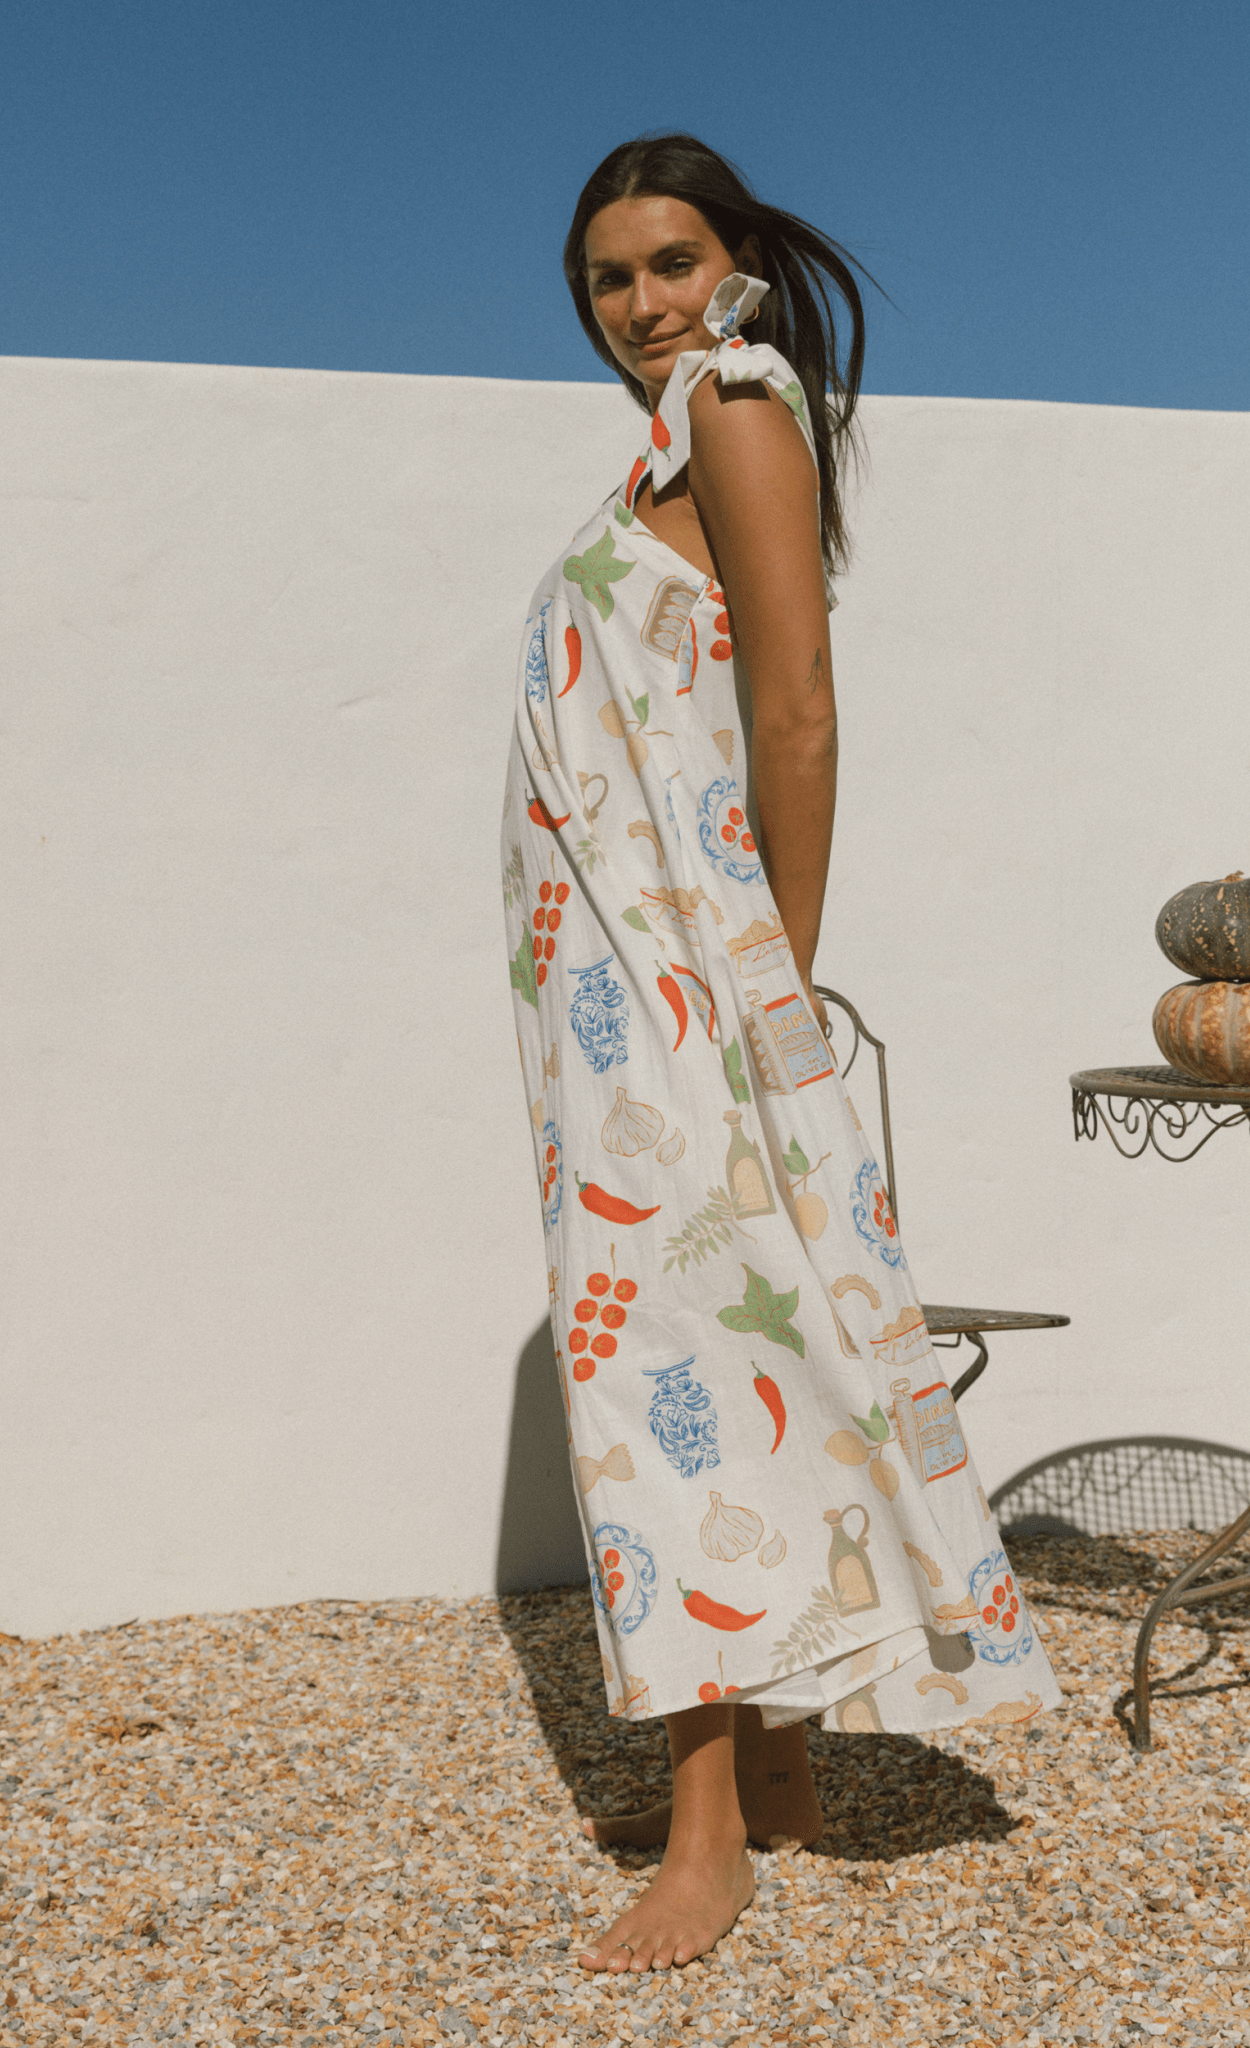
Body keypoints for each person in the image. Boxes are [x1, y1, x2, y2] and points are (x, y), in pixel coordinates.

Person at [500, 133, 1061, 1974]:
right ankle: (784, 1772)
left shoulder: (737, 403)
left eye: (670, 262)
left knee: (656, 1387)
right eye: (608, 278)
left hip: (680, 998)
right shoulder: (673, 442)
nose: (639, 302)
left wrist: (775, 985)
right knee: (749, 1353)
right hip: (623, 995)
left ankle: (706, 1839)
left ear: (734, 263)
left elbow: (796, 709)